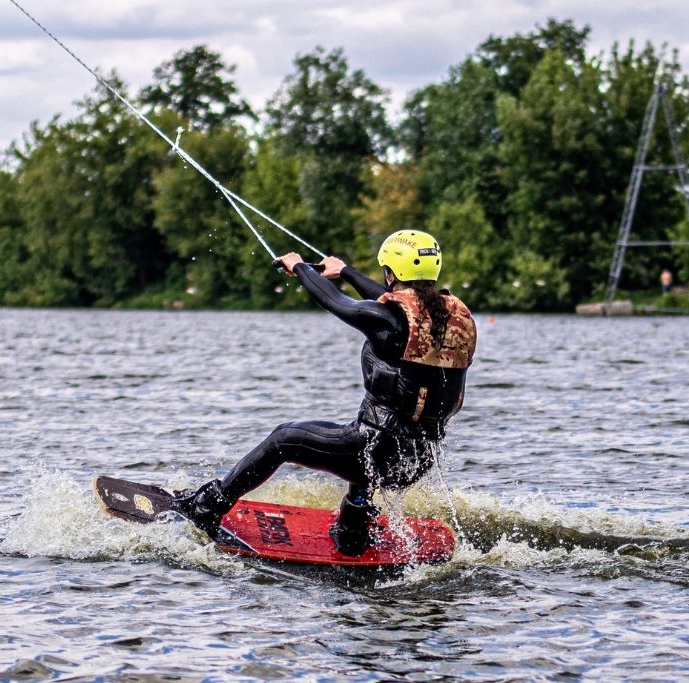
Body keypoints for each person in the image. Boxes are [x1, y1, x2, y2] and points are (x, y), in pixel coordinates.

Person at [172, 230, 477, 555]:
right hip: (418, 458)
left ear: (390, 272)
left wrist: (299, 266)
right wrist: (343, 270)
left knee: (285, 439)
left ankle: (208, 506)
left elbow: (337, 302)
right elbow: (392, 306)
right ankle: (353, 531)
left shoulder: (386, 321)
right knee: (365, 458)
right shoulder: (450, 317)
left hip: (376, 452)